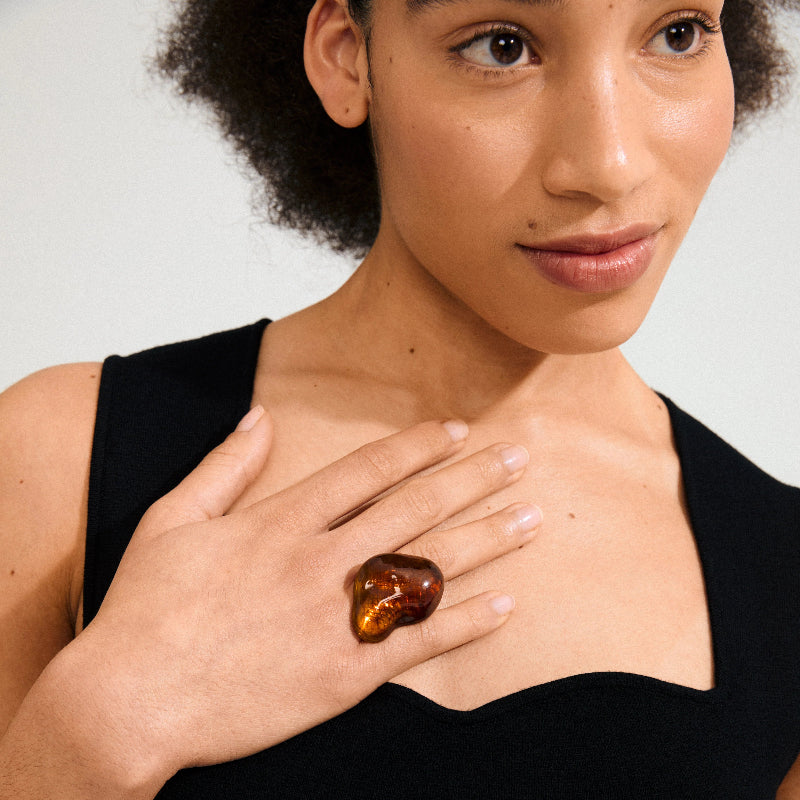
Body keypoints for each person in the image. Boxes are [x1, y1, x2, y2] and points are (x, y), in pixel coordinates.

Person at [1, 0, 799, 796]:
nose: (609, 162)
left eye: (678, 34)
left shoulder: (785, 581)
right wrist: (96, 727)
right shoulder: (57, 463)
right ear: (349, 57)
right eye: (502, 46)